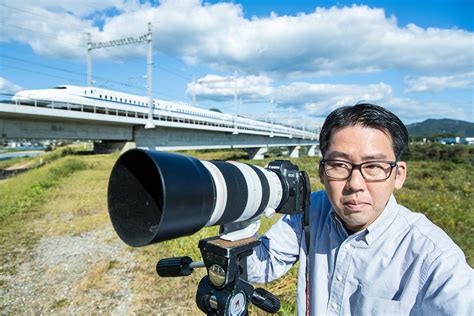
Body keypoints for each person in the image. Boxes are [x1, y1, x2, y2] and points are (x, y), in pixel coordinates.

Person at [247, 103, 473, 315]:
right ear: (322, 173)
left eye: (373, 166)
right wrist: (244, 208)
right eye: (339, 165)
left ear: (399, 175)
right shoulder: (310, 210)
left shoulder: (432, 256)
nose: (355, 183)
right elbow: (259, 266)